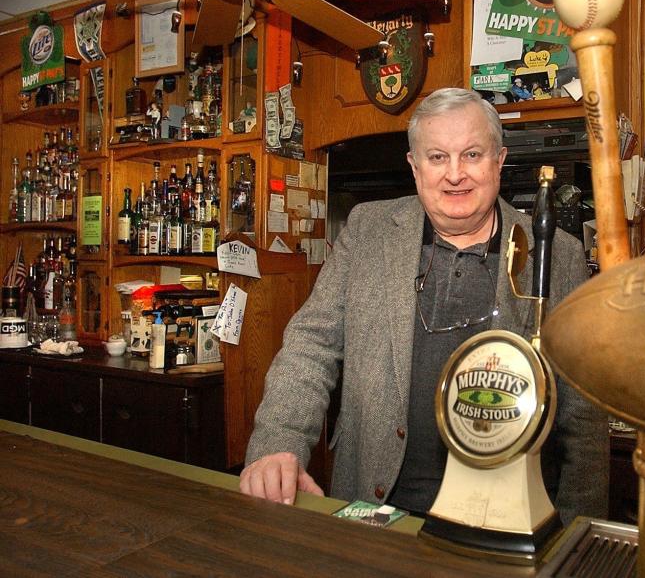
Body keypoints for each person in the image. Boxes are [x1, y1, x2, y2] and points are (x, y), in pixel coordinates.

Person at [240, 88, 608, 525]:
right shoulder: (369, 230)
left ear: (499, 161)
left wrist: (579, 532)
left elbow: (582, 412)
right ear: (415, 168)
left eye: (472, 154)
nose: (455, 174)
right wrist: (277, 442)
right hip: (376, 507)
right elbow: (311, 345)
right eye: (437, 157)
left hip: (504, 522)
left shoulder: (556, 253)